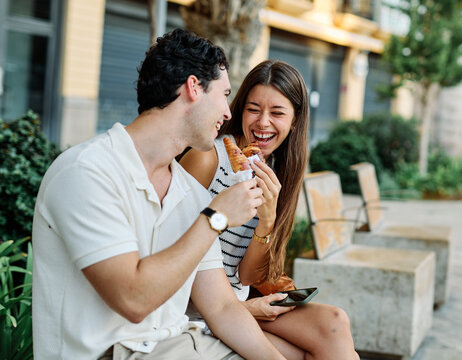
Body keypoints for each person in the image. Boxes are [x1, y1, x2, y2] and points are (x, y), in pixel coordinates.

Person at [32, 29, 287, 360]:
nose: (228, 113)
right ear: (193, 87)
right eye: (224, 95)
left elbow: (223, 306)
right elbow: (133, 299)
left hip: (178, 345)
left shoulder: (191, 192)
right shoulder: (86, 172)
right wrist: (216, 218)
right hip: (113, 353)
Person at [180, 60, 360, 360]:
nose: (263, 123)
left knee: (334, 322)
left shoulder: (276, 169)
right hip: (201, 308)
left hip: (239, 296)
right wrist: (244, 309)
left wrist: (267, 219)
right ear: (239, 110)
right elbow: (171, 252)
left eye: (277, 113)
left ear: (295, 119)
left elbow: (248, 276)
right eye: (253, 109)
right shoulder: (207, 159)